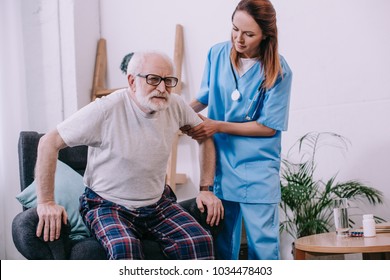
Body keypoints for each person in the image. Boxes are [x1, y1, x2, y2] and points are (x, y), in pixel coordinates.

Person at [35, 51, 224, 260]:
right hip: (107, 205)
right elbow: (48, 142)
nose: (162, 88)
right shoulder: (105, 109)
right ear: (132, 81)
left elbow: (205, 136)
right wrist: (46, 202)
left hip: (158, 203)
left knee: (199, 241)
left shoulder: (175, 105)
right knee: (125, 249)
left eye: (168, 81)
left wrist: (206, 189)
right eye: (153, 79)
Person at [184, 0, 292, 260]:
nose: (239, 39)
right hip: (221, 166)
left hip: (257, 170)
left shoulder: (279, 71)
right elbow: (205, 96)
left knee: (263, 249)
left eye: (249, 34)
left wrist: (217, 125)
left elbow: (268, 127)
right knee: (222, 246)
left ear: (266, 35)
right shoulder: (217, 54)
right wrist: (177, 113)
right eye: (235, 29)